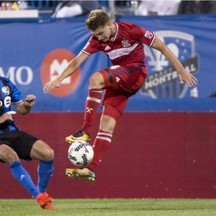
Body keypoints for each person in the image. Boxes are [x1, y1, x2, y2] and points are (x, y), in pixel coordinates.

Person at [43, 9, 198, 182]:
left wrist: (181, 70)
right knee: (106, 124)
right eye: (96, 34)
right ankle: (90, 169)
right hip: (120, 81)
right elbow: (77, 61)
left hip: (135, 72)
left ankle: (85, 131)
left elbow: (161, 45)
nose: (100, 38)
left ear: (110, 25)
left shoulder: (131, 30)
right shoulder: (96, 39)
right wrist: (58, 79)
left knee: (95, 79)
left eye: (101, 33)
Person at [0, 47, 55, 210]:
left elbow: (21, 109)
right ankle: (38, 196)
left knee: (48, 153)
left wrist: (27, 105)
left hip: (12, 131)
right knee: (12, 156)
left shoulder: (6, 84)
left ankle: (43, 193)